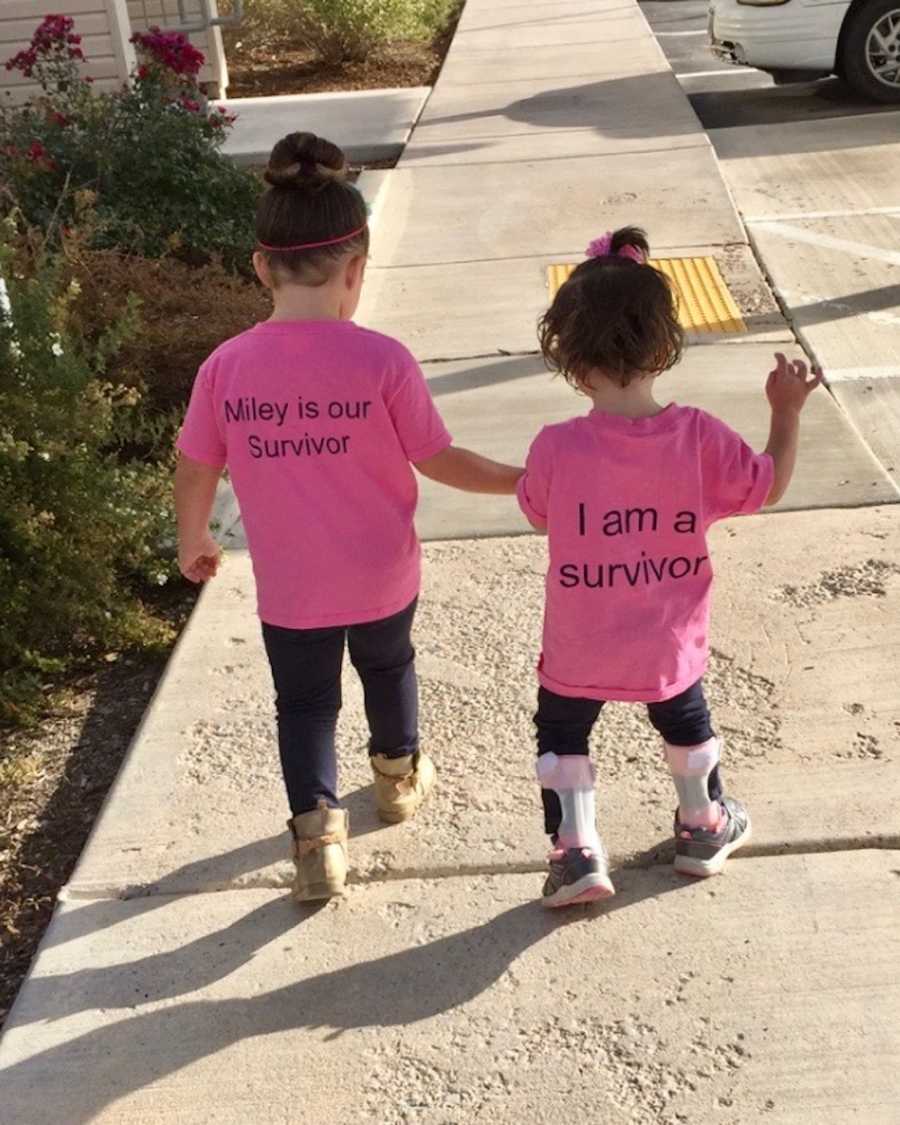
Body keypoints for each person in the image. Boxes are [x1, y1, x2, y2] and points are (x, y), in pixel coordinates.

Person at [175, 132, 522, 903]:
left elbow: (198, 461)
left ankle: (318, 840)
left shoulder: (225, 367)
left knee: (303, 704)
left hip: (291, 589)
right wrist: (522, 484)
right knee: (388, 666)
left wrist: (192, 536)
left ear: (261, 266)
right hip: (381, 577)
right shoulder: (385, 361)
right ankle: (397, 778)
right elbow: (438, 458)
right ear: (356, 269)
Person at [517, 226, 821, 908]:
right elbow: (766, 486)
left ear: (569, 358)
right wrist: (786, 411)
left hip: (579, 643)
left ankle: (577, 852)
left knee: (563, 732)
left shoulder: (556, 447)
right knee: (685, 720)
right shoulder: (700, 438)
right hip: (666, 643)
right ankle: (702, 826)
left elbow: (540, 513)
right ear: (665, 346)